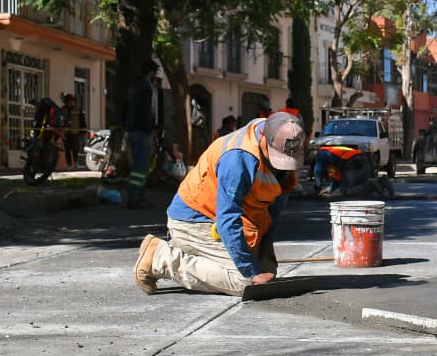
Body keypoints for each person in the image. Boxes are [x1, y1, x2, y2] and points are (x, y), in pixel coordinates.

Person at [133, 113, 305, 296]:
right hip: (194, 221)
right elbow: (227, 219)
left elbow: (274, 210)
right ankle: (160, 258)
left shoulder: (283, 140)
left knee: (268, 271)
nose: (279, 165)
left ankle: (196, 256)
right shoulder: (237, 158)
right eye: (276, 156)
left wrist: (264, 246)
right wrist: (251, 271)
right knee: (246, 282)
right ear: (263, 136)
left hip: (221, 220)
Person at [124, 59, 160, 208]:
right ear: (151, 73)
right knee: (141, 167)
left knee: (137, 166)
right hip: (141, 131)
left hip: (131, 130)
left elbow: (124, 107)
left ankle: (136, 196)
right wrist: (150, 127)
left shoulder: (134, 86)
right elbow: (145, 111)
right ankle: (136, 197)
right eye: (155, 73)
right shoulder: (146, 87)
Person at [312, 143, 392, 198]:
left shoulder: (321, 154)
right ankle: (381, 181)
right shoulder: (333, 156)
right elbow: (339, 179)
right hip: (363, 165)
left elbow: (318, 171)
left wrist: (317, 189)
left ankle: (374, 184)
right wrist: (329, 189)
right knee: (353, 189)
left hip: (355, 165)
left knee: (345, 191)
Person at [61, 93, 87, 170]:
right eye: (68, 101)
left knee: (75, 148)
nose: (70, 103)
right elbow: (60, 120)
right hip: (65, 132)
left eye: (71, 101)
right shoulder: (62, 110)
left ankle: (75, 163)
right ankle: (69, 165)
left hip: (75, 132)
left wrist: (83, 131)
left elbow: (82, 121)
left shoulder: (77, 109)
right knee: (67, 149)